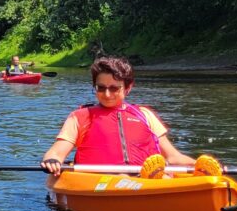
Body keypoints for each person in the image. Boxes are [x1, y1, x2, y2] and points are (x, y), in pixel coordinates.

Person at [41, 55, 221, 179]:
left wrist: (198, 165)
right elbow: (57, 151)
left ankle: (157, 177)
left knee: (166, 176)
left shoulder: (144, 115)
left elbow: (173, 157)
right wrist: (52, 161)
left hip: (145, 179)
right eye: (101, 88)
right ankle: (152, 179)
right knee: (124, 177)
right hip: (99, 180)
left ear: (128, 87)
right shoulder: (80, 117)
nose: (107, 94)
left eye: (114, 88)